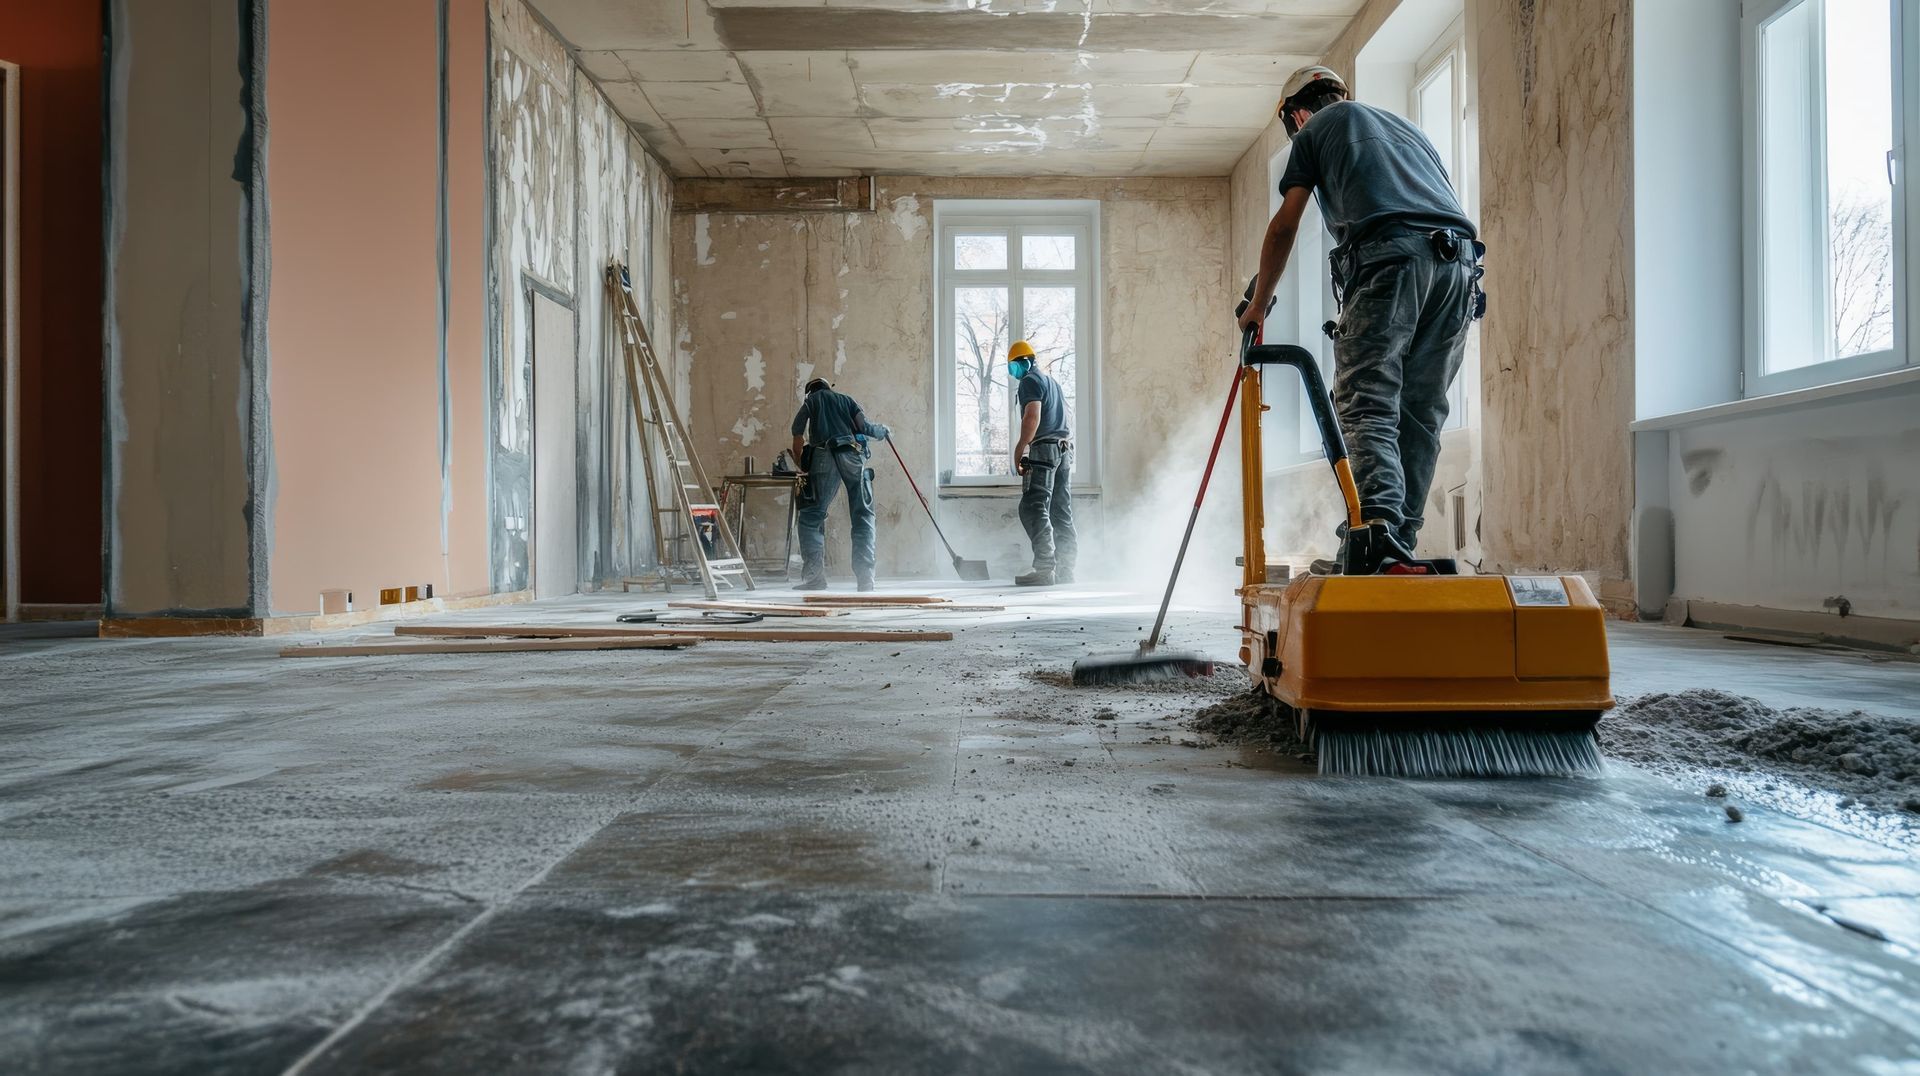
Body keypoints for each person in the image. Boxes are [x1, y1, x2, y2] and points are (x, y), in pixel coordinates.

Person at [1236, 65, 1481, 569]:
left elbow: (1284, 226)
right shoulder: (1407, 131)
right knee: (1421, 411)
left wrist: (1258, 304)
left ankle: (1375, 536)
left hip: (1390, 261)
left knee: (1365, 399)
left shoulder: (1315, 129)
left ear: (1295, 114)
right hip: (1458, 270)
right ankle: (1396, 546)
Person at [789, 377, 889, 591]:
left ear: (810, 391)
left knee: (811, 516)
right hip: (851, 454)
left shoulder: (811, 401)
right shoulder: (846, 400)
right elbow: (864, 427)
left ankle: (814, 578)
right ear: (828, 387)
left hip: (823, 455)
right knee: (862, 514)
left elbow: (797, 435)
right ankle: (866, 579)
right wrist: (882, 431)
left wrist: (800, 463)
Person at [1008, 340, 1076, 586]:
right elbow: (1066, 416)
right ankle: (1066, 571)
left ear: (1025, 362)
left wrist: (1019, 449)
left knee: (1033, 506)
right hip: (1064, 449)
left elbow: (1032, 416)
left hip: (1045, 450)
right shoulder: (1052, 383)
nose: (1013, 372)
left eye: (1013, 366)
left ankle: (1045, 570)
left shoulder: (1029, 380)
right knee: (1060, 511)